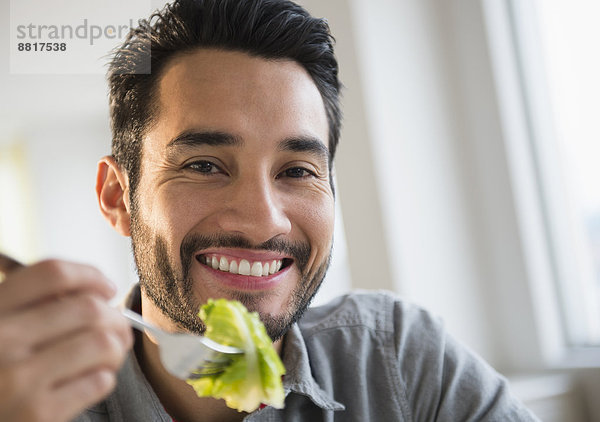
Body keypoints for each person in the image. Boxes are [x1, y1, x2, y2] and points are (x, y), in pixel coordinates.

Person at [0, 0, 540, 421]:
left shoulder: (398, 359)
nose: (262, 222)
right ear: (118, 197)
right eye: (205, 165)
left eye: (297, 171)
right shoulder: (32, 401)